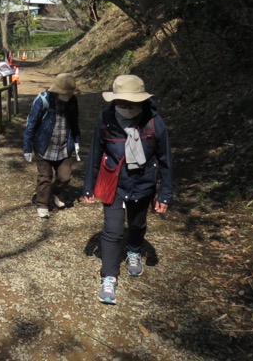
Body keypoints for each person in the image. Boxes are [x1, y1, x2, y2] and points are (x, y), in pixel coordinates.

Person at [82, 74, 173, 305]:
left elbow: (165, 160)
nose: (126, 107)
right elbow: (94, 153)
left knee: (137, 223)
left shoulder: (154, 123)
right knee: (112, 231)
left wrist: (165, 194)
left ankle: (134, 250)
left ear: (141, 101)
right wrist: (88, 186)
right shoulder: (106, 120)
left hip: (144, 183)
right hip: (115, 183)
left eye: (131, 103)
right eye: (122, 102)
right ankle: (109, 277)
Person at [23, 73, 81, 219]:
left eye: (69, 93)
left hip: (63, 147)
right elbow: (31, 124)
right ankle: (42, 204)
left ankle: (56, 191)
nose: (67, 96)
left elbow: (74, 124)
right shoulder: (43, 100)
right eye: (64, 93)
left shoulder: (73, 102)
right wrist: (27, 147)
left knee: (65, 176)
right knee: (44, 177)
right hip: (44, 146)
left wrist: (76, 141)